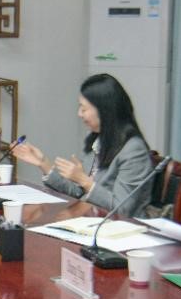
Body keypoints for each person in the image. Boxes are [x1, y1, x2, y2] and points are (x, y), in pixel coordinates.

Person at [11, 73, 153, 215]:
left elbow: (122, 209)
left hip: (121, 226)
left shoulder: (134, 150)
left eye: (84, 109)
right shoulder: (100, 140)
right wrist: (43, 164)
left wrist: (84, 180)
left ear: (105, 110)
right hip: (90, 219)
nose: (79, 114)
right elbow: (79, 193)